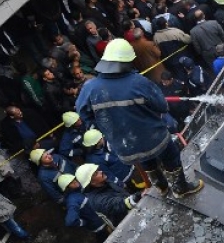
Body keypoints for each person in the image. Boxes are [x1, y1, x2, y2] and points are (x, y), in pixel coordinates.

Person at [76, 39, 203, 198]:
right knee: (170, 156)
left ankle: (162, 188)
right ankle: (180, 189)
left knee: (144, 159)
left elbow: (84, 114)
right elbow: (162, 106)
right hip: (153, 137)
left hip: (125, 145)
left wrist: (107, 126)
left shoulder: (89, 87)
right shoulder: (138, 82)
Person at [75, 163, 141, 225]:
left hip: (134, 211)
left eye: (98, 170)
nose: (101, 172)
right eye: (96, 173)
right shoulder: (97, 200)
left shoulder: (104, 182)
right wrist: (138, 196)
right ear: (91, 182)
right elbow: (120, 204)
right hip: (128, 222)